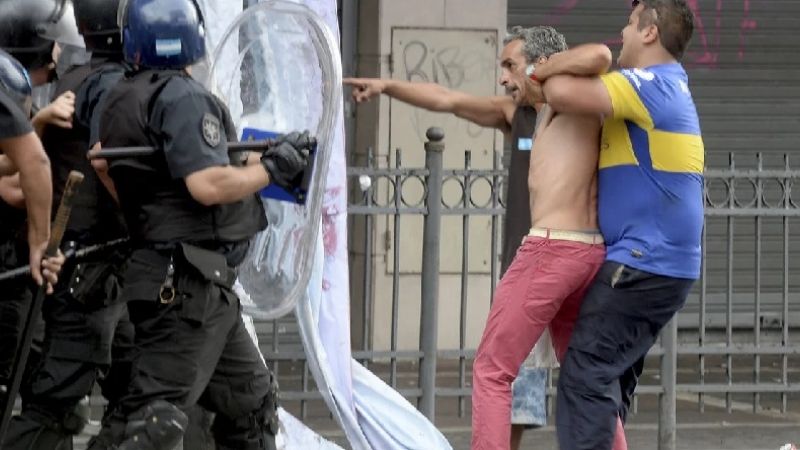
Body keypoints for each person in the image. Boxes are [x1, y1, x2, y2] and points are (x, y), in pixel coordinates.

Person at [93, 0, 310, 447]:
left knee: (251, 403)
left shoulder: (121, 96)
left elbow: (101, 162)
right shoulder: (184, 97)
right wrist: (273, 170)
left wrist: (266, 154)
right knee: (150, 425)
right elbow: (208, 183)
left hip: (194, 283)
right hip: (186, 288)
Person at [345, 26, 555, 448]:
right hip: (524, 270)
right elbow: (448, 99)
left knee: (586, 384)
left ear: (540, 68)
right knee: (512, 386)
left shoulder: (580, 114)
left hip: (570, 266)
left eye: (510, 66)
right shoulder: (518, 115)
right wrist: (386, 85)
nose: (503, 78)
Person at [529, 1, 703, 448]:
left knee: (585, 373)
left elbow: (560, 92)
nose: (620, 33)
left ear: (649, 33)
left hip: (645, 261)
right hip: (658, 264)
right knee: (606, 383)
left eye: (628, 24)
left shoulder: (648, 85)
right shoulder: (667, 87)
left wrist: (544, 64)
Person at [1, 0, 136, 447]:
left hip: (58, 273)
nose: (58, 58)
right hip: (35, 274)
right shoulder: (65, 95)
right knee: (42, 402)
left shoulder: (69, 89)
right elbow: (17, 183)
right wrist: (35, 125)